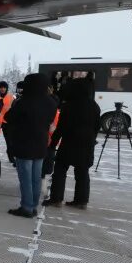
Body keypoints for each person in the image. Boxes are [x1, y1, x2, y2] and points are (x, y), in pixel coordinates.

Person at [3, 73, 58, 218]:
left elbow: (8, 117)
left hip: (24, 143)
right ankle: (33, 205)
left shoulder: (24, 101)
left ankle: (26, 207)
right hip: (41, 143)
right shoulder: (51, 102)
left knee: (25, 178)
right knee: (35, 178)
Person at [43, 78, 101, 208]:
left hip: (69, 143)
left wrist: (53, 144)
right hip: (87, 144)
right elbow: (97, 126)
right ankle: (81, 201)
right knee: (82, 173)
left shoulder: (69, 105)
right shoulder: (94, 106)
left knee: (60, 170)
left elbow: (61, 127)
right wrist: (92, 138)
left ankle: (56, 199)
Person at [0, 81, 15, 165]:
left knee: (9, 141)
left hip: (7, 122)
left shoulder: (11, 97)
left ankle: (11, 157)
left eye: (4, 87)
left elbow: (14, 109)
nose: (2, 89)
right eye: (1, 87)